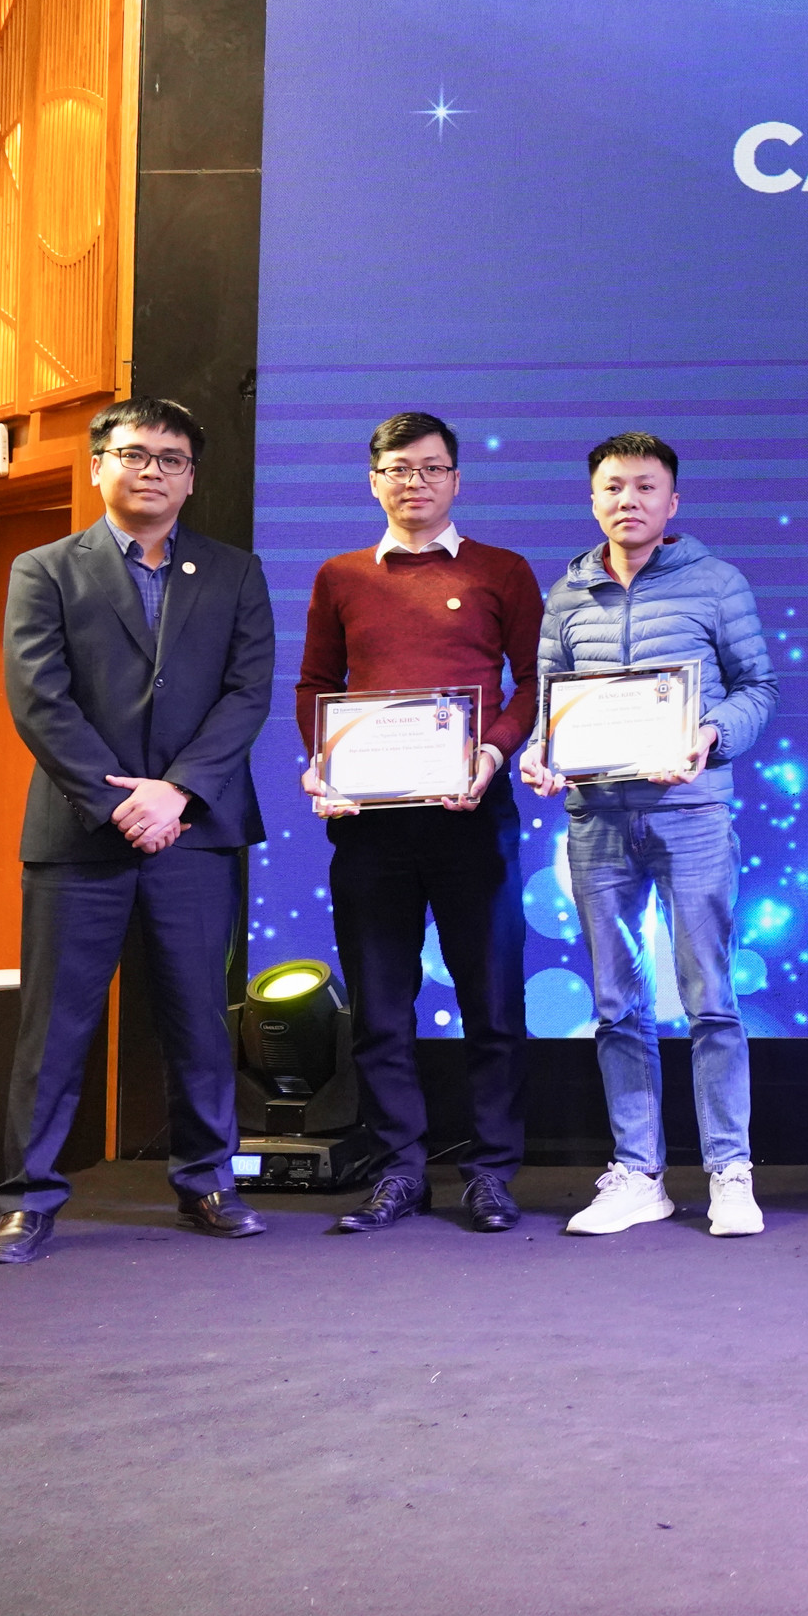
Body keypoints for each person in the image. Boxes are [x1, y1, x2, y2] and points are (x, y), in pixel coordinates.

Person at [0, 399, 277, 1266]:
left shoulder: (235, 572)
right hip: (80, 835)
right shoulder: (43, 568)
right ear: (98, 464)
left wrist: (176, 793)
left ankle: (208, 1182)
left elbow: (247, 694)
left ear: (192, 478)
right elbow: (39, 697)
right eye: (135, 454)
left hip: (195, 831)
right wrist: (118, 804)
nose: (152, 472)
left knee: (199, 1017)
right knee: (55, 1027)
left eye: (171, 460)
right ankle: (29, 1201)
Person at [520, 432, 777, 1240]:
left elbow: (759, 688)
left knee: (710, 998)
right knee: (615, 1004)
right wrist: (540, 753)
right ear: (592, 498)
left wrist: (709, 733)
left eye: (644, 486)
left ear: (673, 501)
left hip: (691, 814)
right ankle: (638, 1173)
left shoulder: (716, 582)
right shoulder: (567, 595)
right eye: (612, 487)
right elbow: (550, 706)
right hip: (596, 819)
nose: (627, 500)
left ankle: (729, 1170)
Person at [292, 412, 545, 1236]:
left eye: (433, 468)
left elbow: (532, 684)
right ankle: (400, 1169)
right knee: (379, 1008)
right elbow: (315, 684)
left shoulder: (503, 570)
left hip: (473, 813)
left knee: (493, 1001)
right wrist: (324, 763)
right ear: (374, 481)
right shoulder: (339, 576)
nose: (416, 482)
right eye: (400, 469)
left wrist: (493, 753)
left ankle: (492, 1172)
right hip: (370, 826)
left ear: (457, 481)